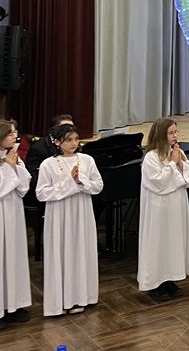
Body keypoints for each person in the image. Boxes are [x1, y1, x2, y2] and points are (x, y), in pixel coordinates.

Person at [35, 124, 104, 315]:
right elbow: (41, 193)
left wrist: (81, 182)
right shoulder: (48, 164)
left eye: (76, 139)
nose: (74, 143)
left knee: (80, 250)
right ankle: (60, 300)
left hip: (82, 212)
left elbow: (98, 185)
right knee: (61, 252)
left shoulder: (87, 160)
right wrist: (69, 184)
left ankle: (82, 296)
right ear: (58, 142)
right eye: (68, 140)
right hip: (59, 214)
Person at [137, 118, 189, 302]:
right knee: (158, 242)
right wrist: (172, 164)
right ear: (161, 135)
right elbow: (158, 182)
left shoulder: (176, 152)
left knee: (173, 241)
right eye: (171, 133)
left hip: (176, 204)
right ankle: (155, 282)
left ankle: (170, 278)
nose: (174, 136)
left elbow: (188, 174)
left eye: (176, 132)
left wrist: (180, 163)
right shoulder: (151, 157)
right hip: (158, 207)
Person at [0, 120, 31, 328]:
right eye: (10, 133)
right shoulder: (8, 160)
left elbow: (23, 186)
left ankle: (14, 304)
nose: (15, 137)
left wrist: (15, 166)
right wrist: (8, 167)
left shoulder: (13, 156)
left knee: (14, 255)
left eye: (15, 133)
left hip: (14, 211)